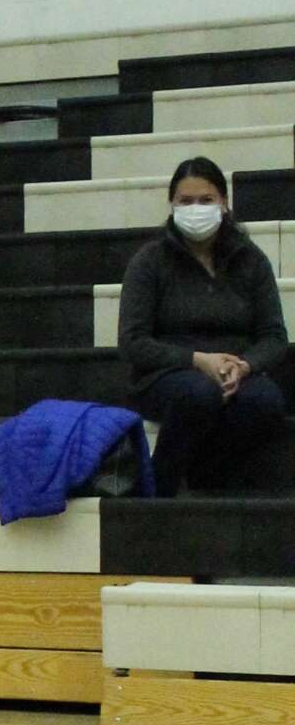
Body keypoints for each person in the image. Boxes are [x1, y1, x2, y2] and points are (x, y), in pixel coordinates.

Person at [118, 155, 290, 497]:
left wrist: (245, 366)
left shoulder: (251, 259)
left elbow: (274, 336)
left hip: (235, 370)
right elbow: (132, 341)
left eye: (206, 199)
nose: (196, 208)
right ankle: (158, 487)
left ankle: (207, 477)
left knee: (265, 401)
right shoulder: (149, 261)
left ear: (224, 203)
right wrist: (197, 360)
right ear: (172, 205)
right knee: (199, 393)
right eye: (186, 201)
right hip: (168, 374)